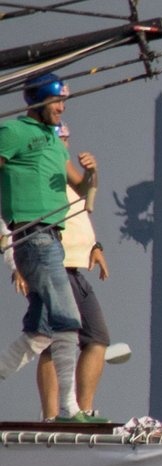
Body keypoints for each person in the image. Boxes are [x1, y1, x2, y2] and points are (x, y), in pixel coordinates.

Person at [0, 73, 91, 421]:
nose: (62, 108)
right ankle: (69, 408)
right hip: (33, 234)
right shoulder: (13, 132)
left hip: (51, 235)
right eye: (57, 101)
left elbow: (81, 189)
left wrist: (92, 174)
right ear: (38, 102)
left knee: (40, 332)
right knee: (68, 320)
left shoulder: (54, 140)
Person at [29, 176, 112, 420]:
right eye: (59, 136)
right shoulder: (38, 178)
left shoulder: (65, 183)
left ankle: (82, 412)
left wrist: (95, 247)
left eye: (66, 136)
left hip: (75, 268)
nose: (64, 141)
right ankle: (52, 416)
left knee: (97, 338)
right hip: (52, 267)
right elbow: (16, 221)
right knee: (52, 342)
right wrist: (18, 268)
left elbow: (81, 213)